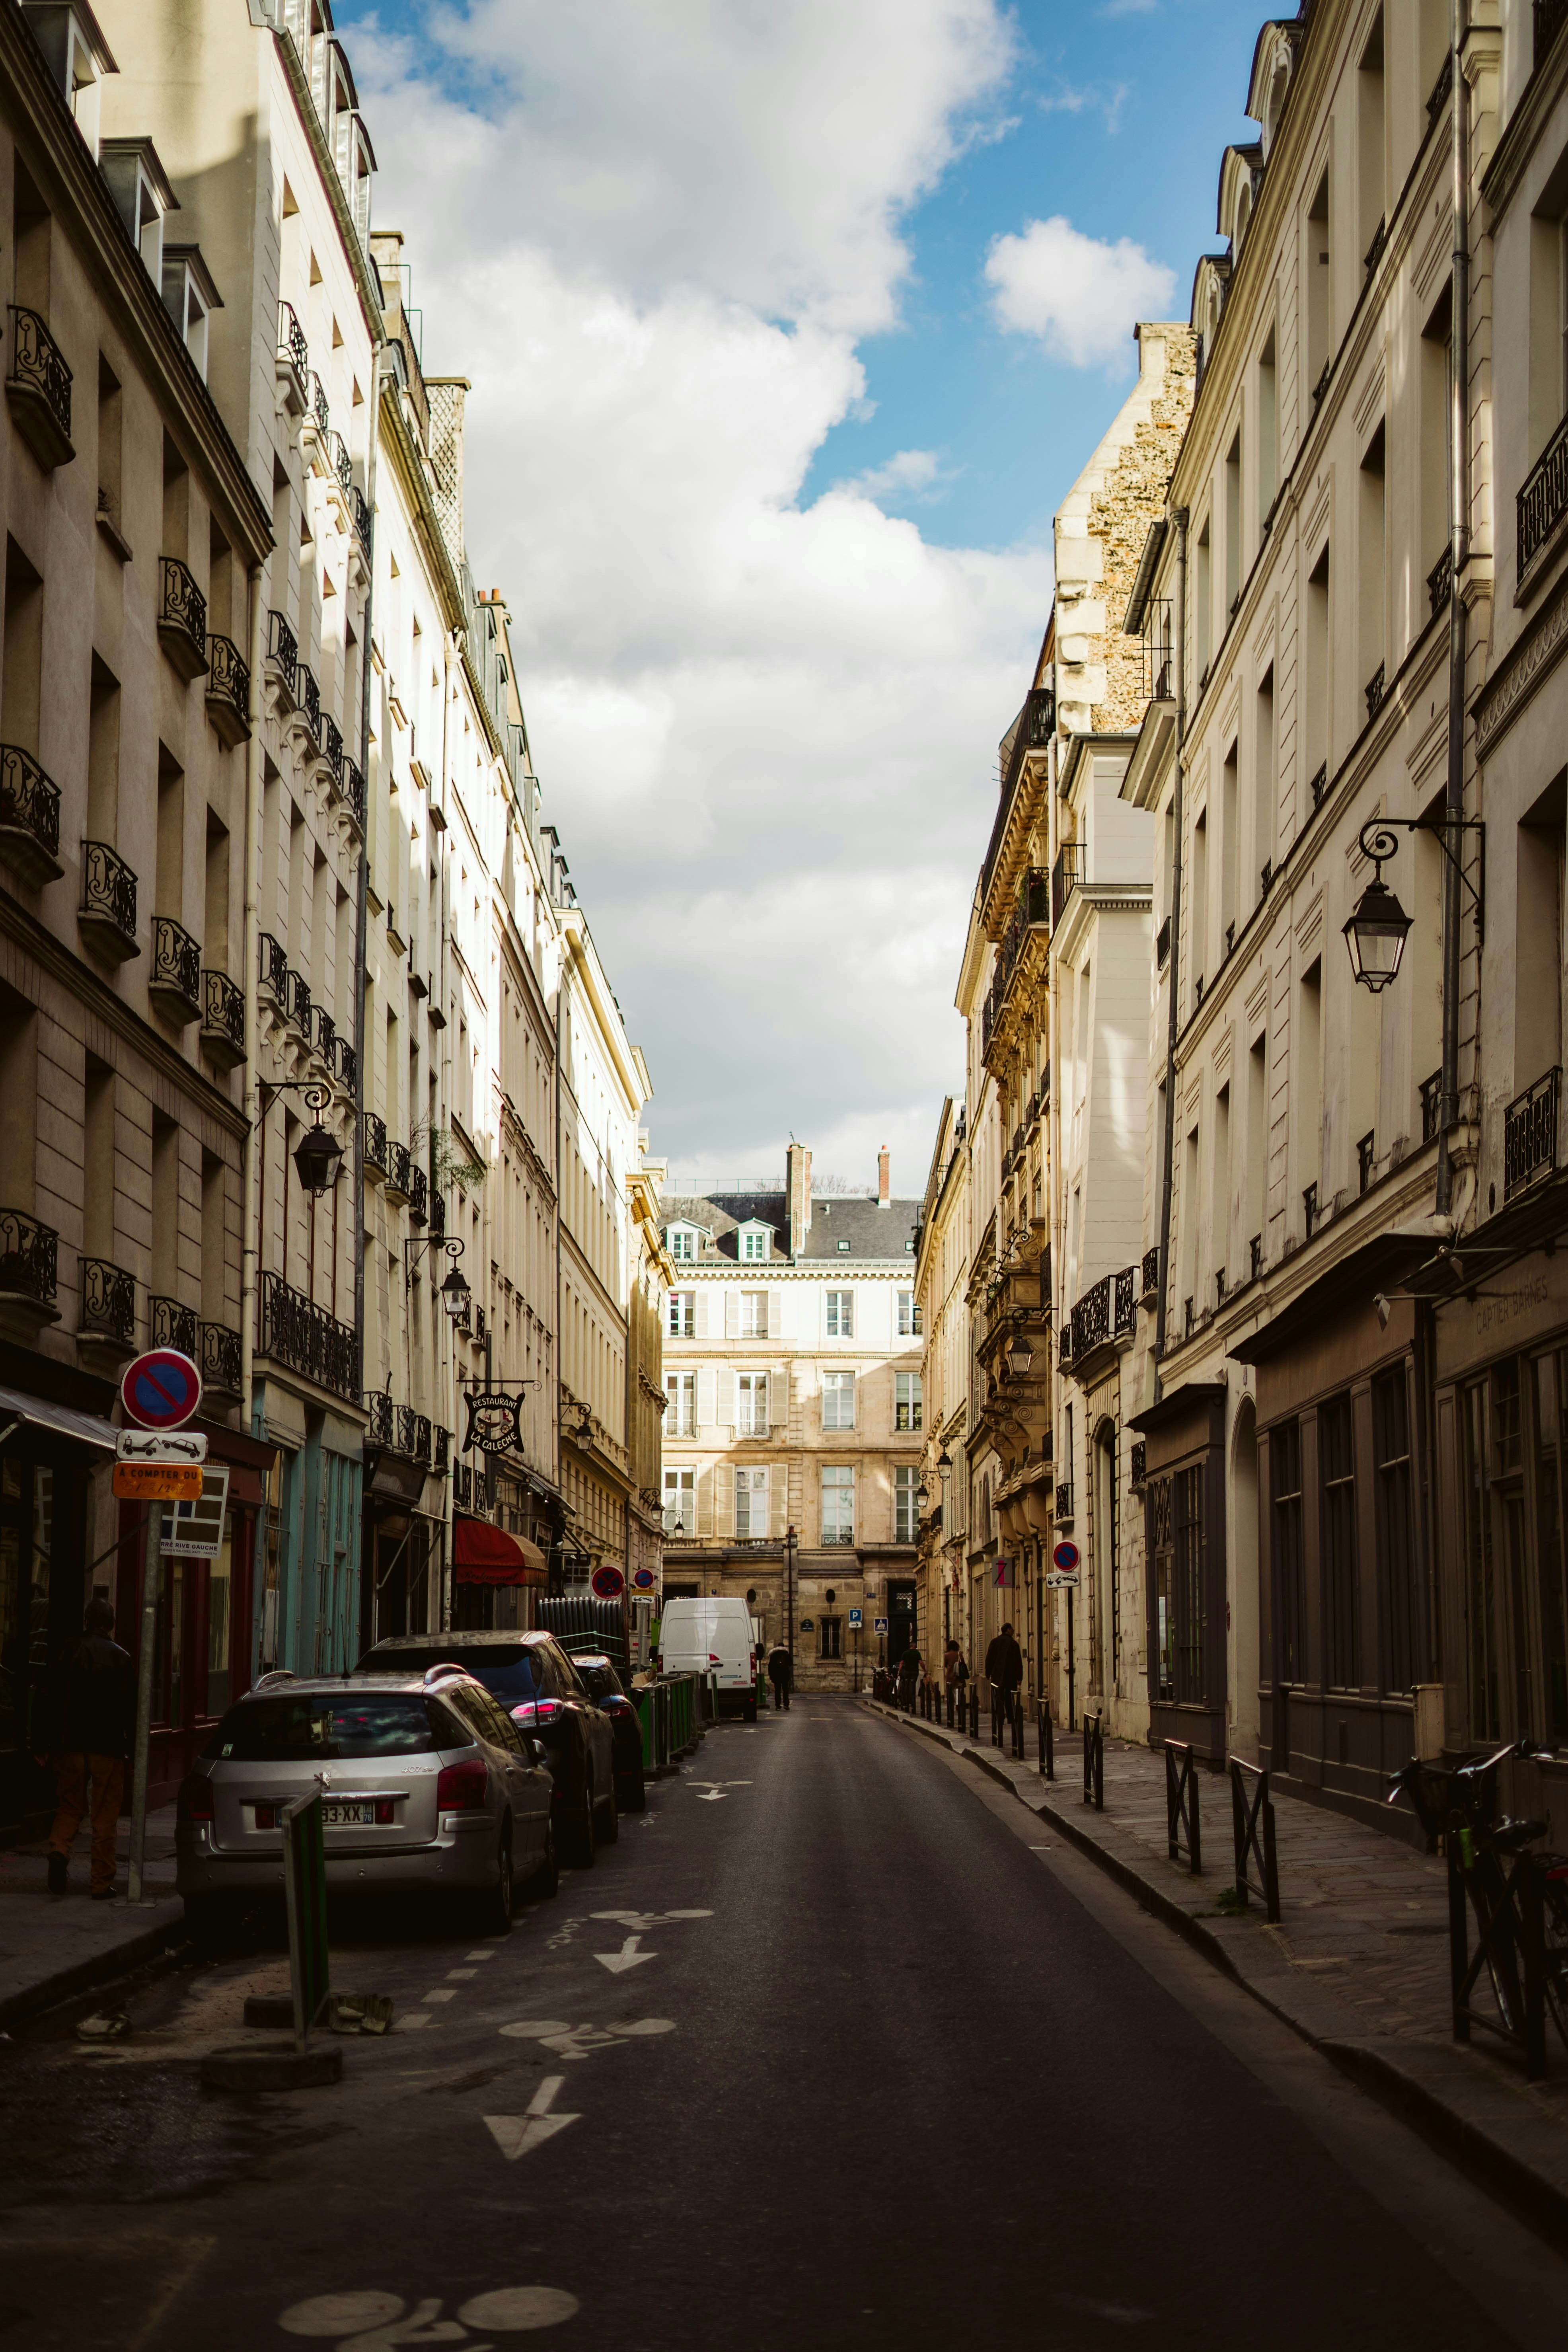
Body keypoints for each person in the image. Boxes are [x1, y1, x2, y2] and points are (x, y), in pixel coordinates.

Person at [39, 1598, 134, 1900]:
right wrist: (131, 1748)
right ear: (110, 1624)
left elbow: (47, 1698)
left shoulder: (66, 1650)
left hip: (69, 1744)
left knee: (70, 1805)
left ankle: (59, 1849)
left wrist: (42, 1743)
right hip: (107, 1747)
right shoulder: (121, 1658)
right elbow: (130, 1710)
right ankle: (101, 1882)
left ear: (86, 1620)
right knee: (105, 1816)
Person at [985, 1620, 1024, 1742]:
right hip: (1010, 1676)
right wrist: (1019, 1677)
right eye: (1012, 1629)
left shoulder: (994, 1642)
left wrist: (988, 1673)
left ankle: (999, 1718)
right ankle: (1011, 1718)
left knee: (998, 1698)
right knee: (1010, 1698)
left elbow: (989, 1659)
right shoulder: (1013, 1644)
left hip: (997, 1677)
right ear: (1008, 1630)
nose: (1013, 1631)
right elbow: (1018, 1662)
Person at [767, 1641, 793, 1712]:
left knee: (777, 1691)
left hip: (776, 1675)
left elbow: (770, 1666)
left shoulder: (773, 1654)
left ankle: (778, 1706)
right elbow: (791, 1663)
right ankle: (786, 1704)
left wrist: (771, 1675)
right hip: (785, 1675)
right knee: (785, 1690)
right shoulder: (786, 1654)